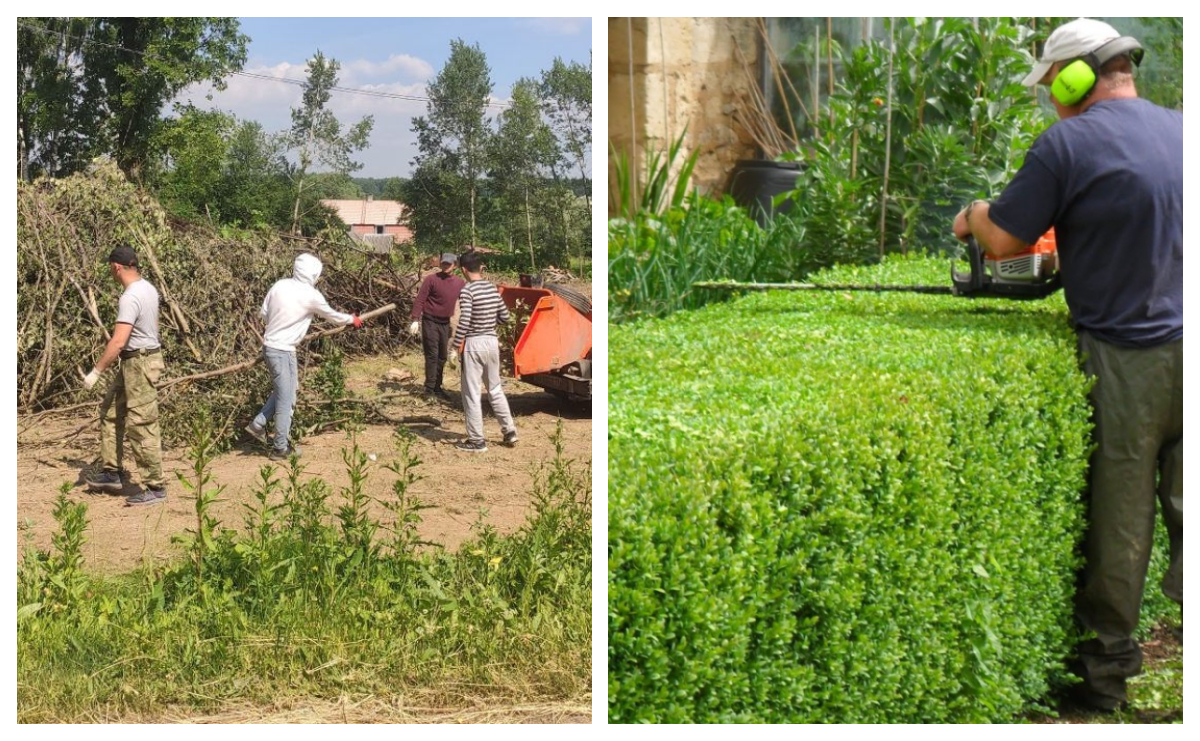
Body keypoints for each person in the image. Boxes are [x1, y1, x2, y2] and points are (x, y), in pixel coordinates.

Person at [951, 18, 1182, 713]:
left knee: (1121, 522)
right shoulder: (1183, 128)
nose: (1050, 96)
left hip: (1127, 359)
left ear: (1077, 76)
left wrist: (973, 213)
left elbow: (1007, 238)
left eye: (1052, 81)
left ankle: (1103, 680)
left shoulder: (1069, 142)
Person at [245, 253, 362, 460]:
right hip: (281, 350)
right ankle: (280, 448)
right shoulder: (311, 295)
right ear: (314, 273)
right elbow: (333, 317)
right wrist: (351, 319)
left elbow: (263, 313)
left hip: (277, 348)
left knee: (289, 390)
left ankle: (258, 424)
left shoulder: (279, 285)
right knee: (285, 398)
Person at [83, 245, 168, 506]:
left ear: (116, 267)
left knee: (141, 424)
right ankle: (112, 473)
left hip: (139, 363)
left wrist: (95, 372)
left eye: (111, 269)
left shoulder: (130, 296)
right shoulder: (149, 288)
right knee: (110, 412)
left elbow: (119, 341)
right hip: (135, 361)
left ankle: (155, 486)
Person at [451, 250, 518, 452]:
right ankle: (509, 431)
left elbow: (464, 320)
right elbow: (506, 317)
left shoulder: (467, 290)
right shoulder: (492, 289)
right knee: (495, 388)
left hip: (474, 343)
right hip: (492, 342)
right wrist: (489, 323)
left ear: (463, 270)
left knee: (471, 393)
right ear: (481, 267)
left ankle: (477, 441)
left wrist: (455, 346)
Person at [409, 252, 465, 399]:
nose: (446, 266)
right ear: (440, 264)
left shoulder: (459, 283)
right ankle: (428, 389)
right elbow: (420, 299)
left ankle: (437, 387)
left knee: (442, 356)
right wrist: (415, 319)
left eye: (449, 264)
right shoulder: (431, 279)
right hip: (430, 320)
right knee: (432, 355)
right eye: (444, 263)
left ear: (455, 265)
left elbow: (467, 301)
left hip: (445, 323)